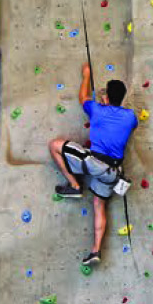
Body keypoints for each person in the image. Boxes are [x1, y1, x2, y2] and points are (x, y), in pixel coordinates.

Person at [47, 78, 138, 274]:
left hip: (93, 163)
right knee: (99, 205)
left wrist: (86, 75)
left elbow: (83, 97)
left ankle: (74, 185)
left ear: (106, 97)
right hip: (112, 173)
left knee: (55, 145)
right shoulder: (131, 116)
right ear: (122, 98)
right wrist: (109, 107)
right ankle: (95, 250)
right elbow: (123, 126)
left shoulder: (97, 109)